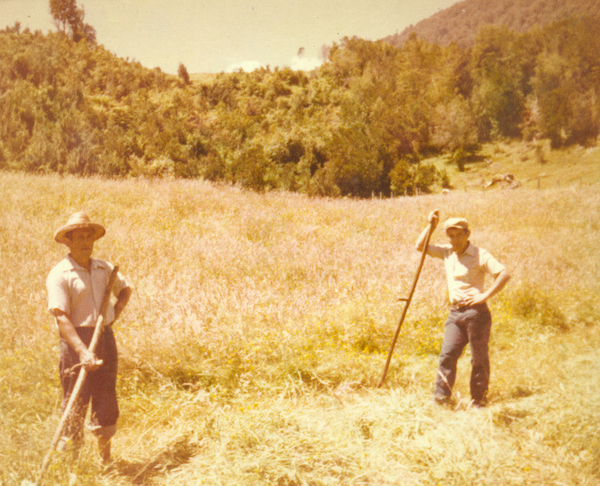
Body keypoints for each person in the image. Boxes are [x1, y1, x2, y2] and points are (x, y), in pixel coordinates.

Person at [46, 211, 132, 463]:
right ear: (68, 241)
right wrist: (83, 351)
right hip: (76, 341)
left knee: (105, 397)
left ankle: (106, 462)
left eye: (88, 236)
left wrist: (112, 316)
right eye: (79, 237)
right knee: (75, 402)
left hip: (103, 337)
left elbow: (126, 289)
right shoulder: (60, 274)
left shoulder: (104, 268)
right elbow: (61, 318)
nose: (85, 241)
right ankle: (73, 465)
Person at [416, 212, 510, 408]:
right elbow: (420, 246)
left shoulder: (479, 254)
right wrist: (431, 227)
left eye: (459, 235)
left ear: (468, 234)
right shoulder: (448, 252)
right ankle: (440, 401)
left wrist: (484, 296)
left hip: (477, 315)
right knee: (447, 355)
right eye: (450, 235)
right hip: (455, 314)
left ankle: (478, 402)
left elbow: (504, 273)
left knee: (478, 359)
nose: (455, 239)